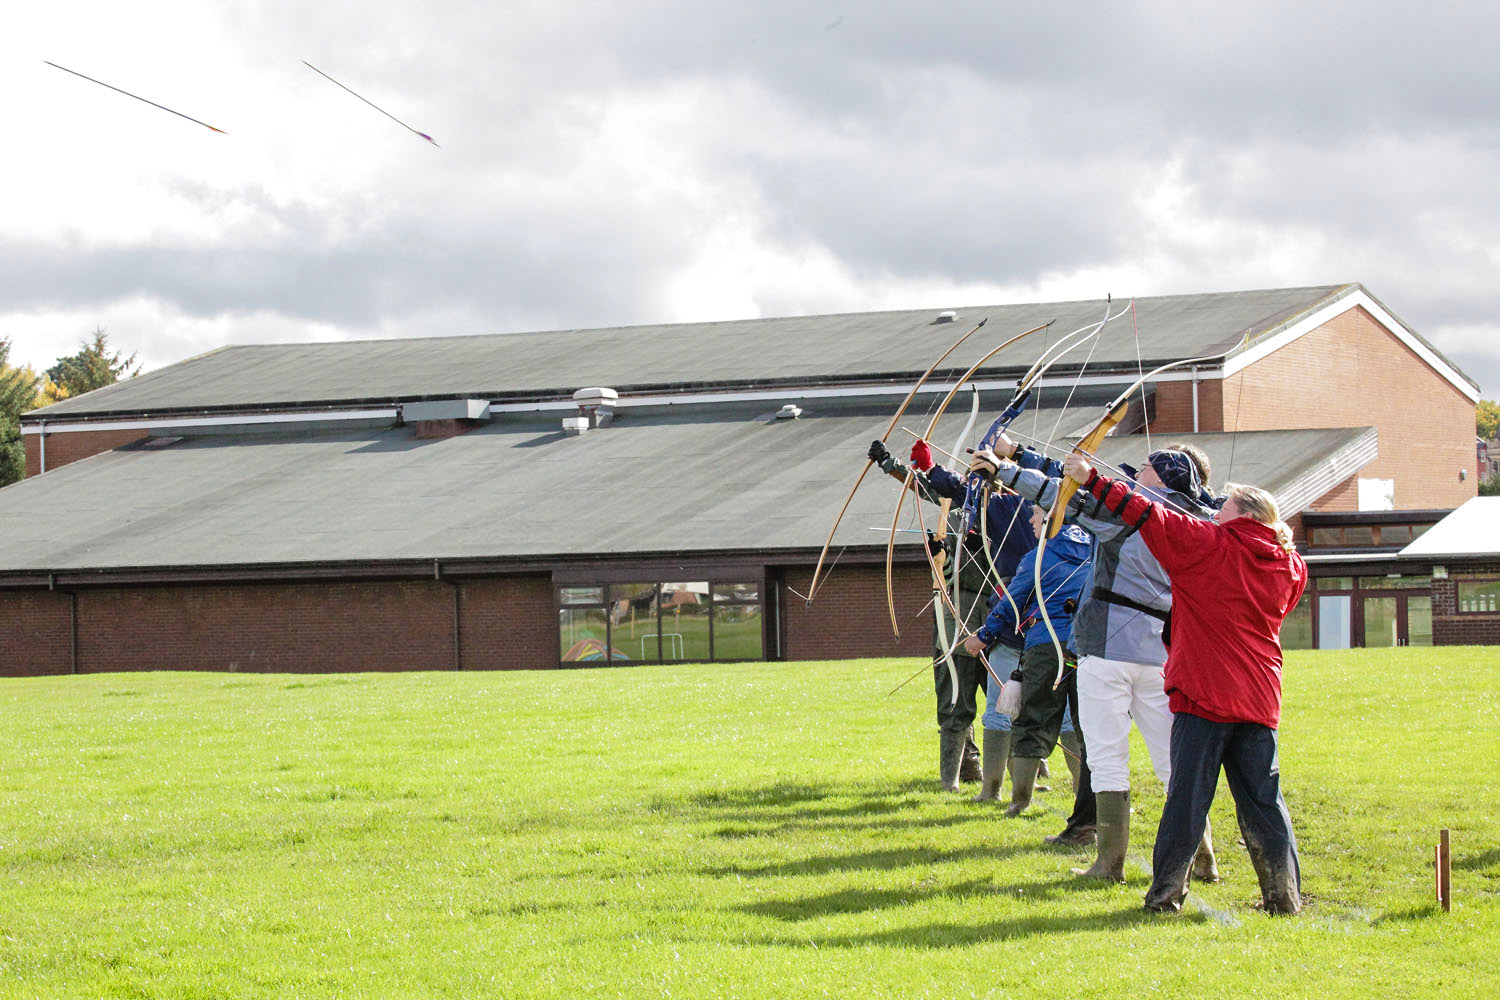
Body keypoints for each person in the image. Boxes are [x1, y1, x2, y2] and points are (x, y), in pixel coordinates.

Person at [1061, 452, 1308, 914]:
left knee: (1187, 801)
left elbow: (1146, 511)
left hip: (1204, 695)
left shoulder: (1211, 543)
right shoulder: (1292, 566)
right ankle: (1283, 896)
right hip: (1258, 696)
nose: (1215, 511)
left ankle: (1166, 894)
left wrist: (1092, 478)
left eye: (1226, 506)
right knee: (1264, 802)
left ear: (1245, 516)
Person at [981, 439, 1219, 882]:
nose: (1136, 471)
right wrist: (1022, 457)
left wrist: (1005, 470)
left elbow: (1062, 496)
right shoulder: (1201, 518)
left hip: (1108, 651)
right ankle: (1202, 859)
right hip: (1165, 653)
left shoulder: (1129, 513)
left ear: (1163, 477)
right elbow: (1076, 482)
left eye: (1146, 466)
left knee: (1108, 755)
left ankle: (1109, 865)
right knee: (1173, 760)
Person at [868, 438, 1034, 792]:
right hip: (959, 611)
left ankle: (1026, 772)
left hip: (1005, 615)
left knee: (1010, 695)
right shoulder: (964, 503)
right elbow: (932, 487)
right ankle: (956, 775)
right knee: (955, 696)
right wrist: (891, 464)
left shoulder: (1020, 505)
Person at [962, 504, 1091, 818]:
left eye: (1036, 513)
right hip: (1084, 647)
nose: (1031, 519)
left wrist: (983, 635)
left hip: (1045, 646)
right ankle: (1083, 796)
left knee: (1031, 719)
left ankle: (1020, 800)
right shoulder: (1092, 548)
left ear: (1054, 517)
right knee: (1080, 722)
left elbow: (1010, 603)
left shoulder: (1038, 556)